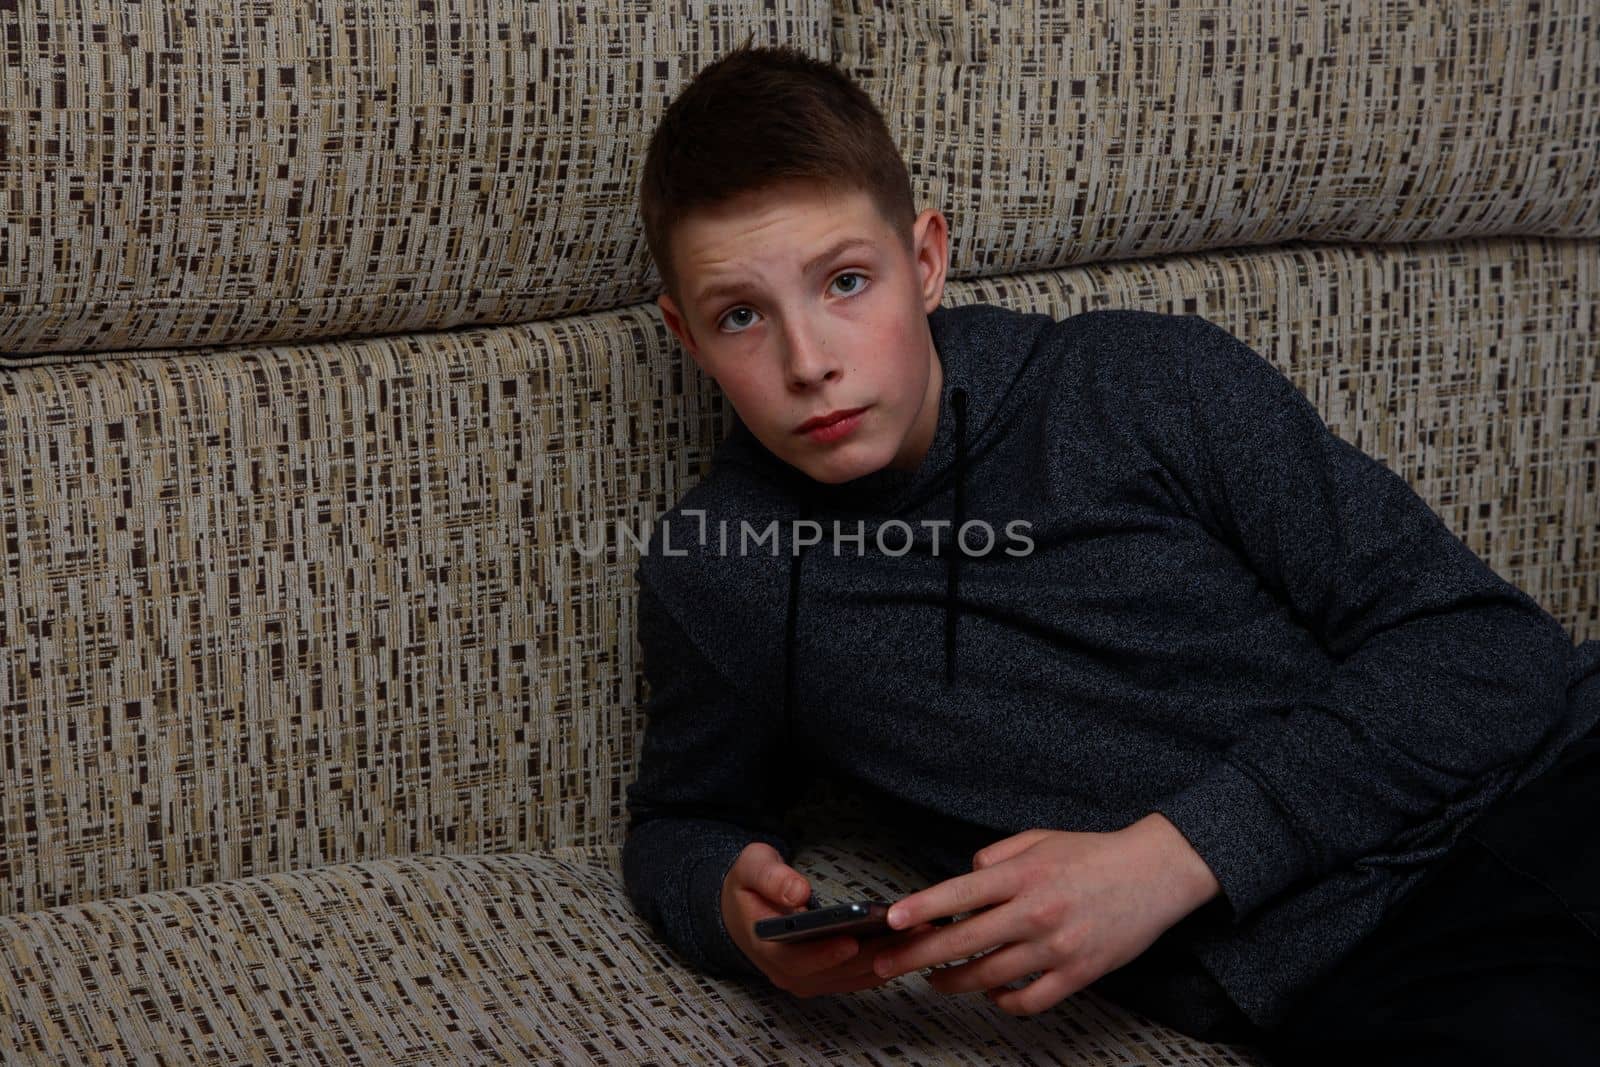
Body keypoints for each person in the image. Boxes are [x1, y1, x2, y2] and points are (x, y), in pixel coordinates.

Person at [620, 41, 1600, 1063]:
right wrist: (737, 911)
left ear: (924, 261)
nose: (808, 361)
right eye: (742, 316)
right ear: (687, 337)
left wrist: (1172, 858)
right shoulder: (721, 568)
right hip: (1372, 969)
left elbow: (1489, 645)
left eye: (847, 282)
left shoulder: (1140, 384)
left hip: (1554, 778)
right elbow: (683, 819)